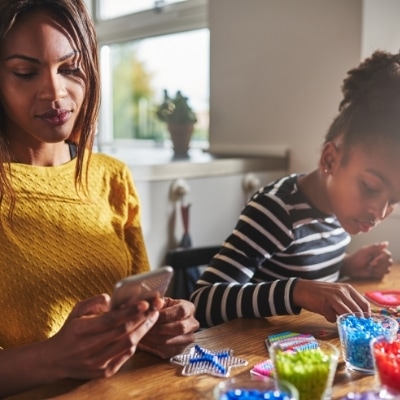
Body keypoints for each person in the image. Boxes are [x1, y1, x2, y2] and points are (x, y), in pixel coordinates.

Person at [0, 0, 199, 396]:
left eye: (71, 69)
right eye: (25, 72)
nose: (55, 91)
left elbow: (142, 308)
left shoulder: (112, 177)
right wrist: (52, 357)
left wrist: (161, 326)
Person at [191, 50, 400, 328]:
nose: (380, 211)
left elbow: (301, 260)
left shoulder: (341, 210)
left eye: (395, 200)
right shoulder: (277, 210)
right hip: (249, 356)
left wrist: (346, 265)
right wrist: (297, 291)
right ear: (330, 160)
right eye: (370, 187)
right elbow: (202, 302)